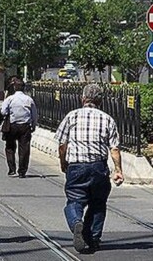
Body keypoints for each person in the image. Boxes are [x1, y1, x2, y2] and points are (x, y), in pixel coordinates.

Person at [55, 83, 124, 254]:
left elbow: (62, 144)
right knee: (98, 204)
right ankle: (93, 238)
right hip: (99, 168)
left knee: (74, 201)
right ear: (101, 101)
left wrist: (63, 163)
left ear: (82, 98)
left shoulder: (72, 116)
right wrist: (118, 170)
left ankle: (77, 222)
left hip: (77, 167)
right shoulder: (107, 119)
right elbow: (114, 149)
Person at [0, 78, 37, 178]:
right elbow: (34, 115)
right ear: (23, 88)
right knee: (24, 149)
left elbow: (3, 112)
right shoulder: (29, 99)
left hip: (12, 126)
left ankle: (12, 169)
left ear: (14, 87)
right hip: (25, 126)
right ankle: (22, 171)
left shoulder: (10, 99)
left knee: (10, 147)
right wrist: (33, 125)